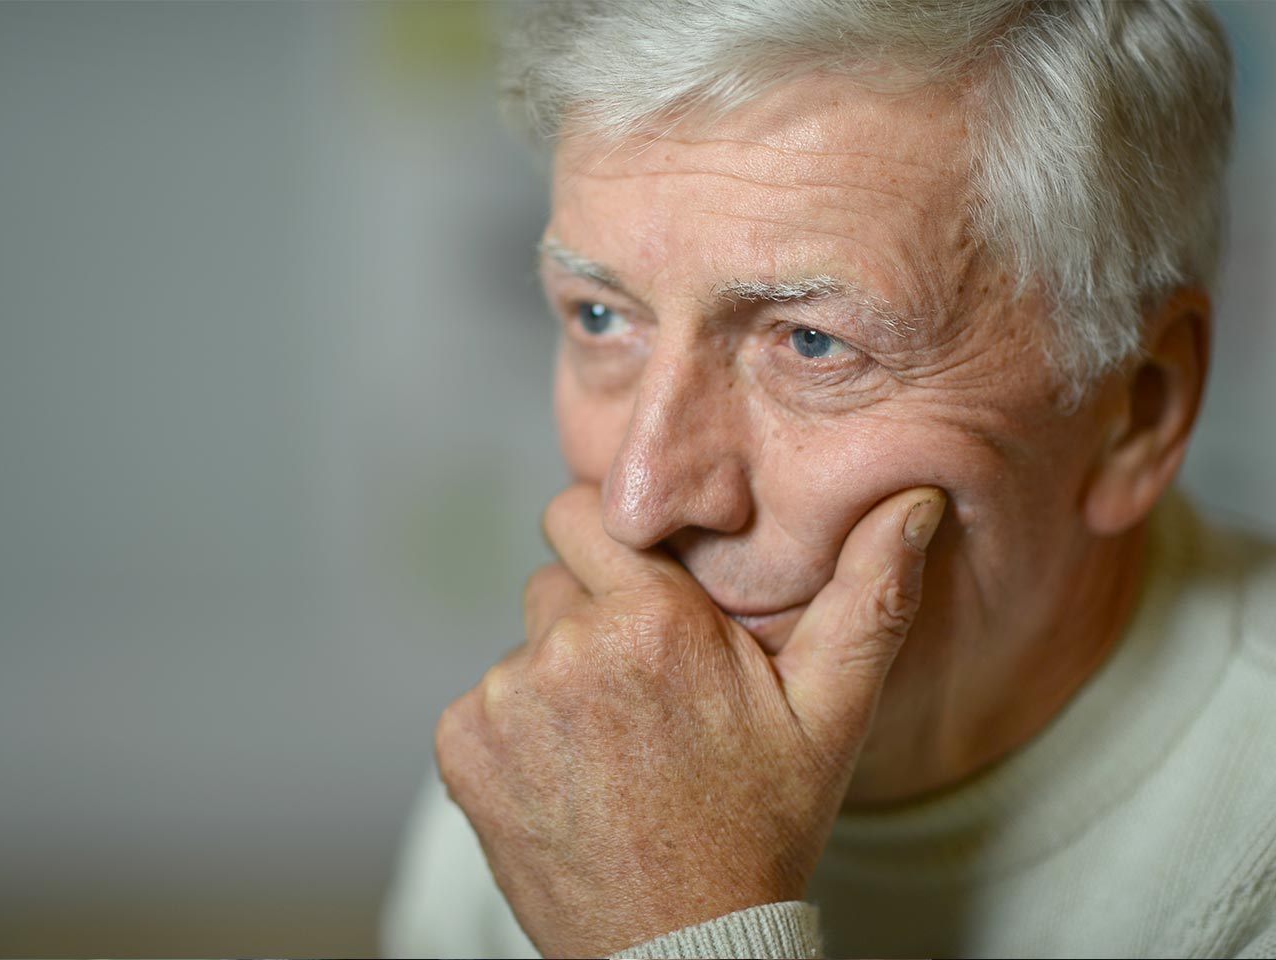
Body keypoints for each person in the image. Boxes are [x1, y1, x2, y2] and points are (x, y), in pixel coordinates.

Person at [383, 1, 1276, 956]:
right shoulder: (548, 770)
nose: (640, 498)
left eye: (813, 343)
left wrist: (677, 930)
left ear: (1136, 413)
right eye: (602, 318)